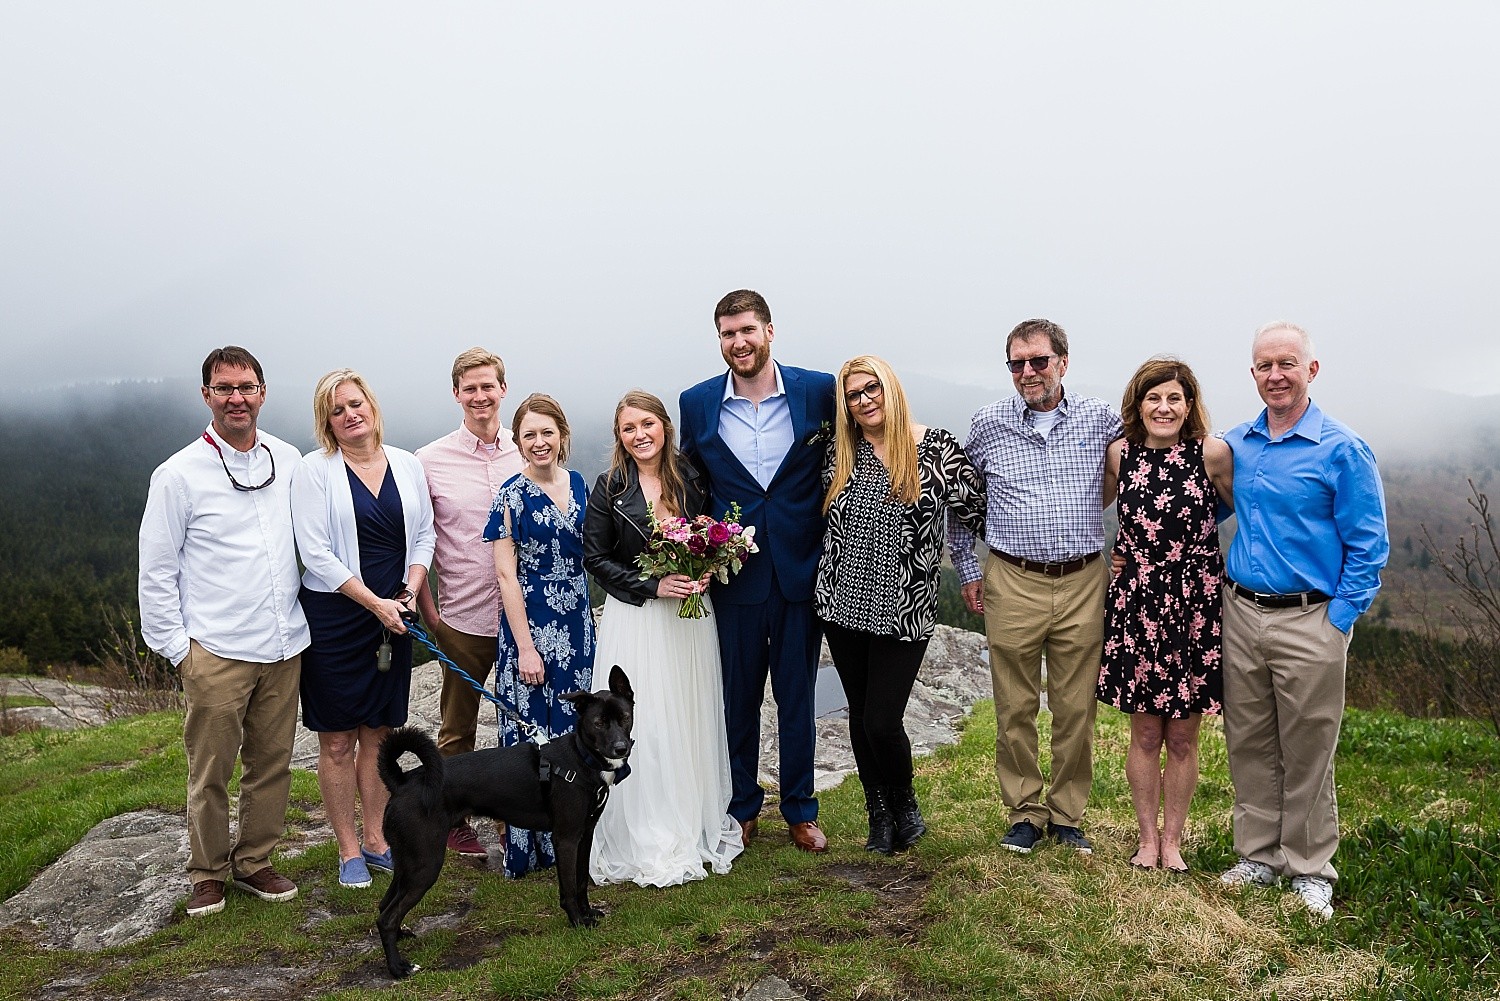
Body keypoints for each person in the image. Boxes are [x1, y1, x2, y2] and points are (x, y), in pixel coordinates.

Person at [1218, 322, 1388, 920]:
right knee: (1250, 740)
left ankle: (1310, 867)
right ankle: (1258, 856)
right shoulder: (1236, 445)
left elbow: (1369, 546)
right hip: (1239, 612)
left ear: (1311, 370)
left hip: (1310, 619)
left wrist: (1337, 620)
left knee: (1309, 745)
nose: (1275, 375)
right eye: (1264, 366)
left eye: (1287, 363)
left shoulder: (1342, 449)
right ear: (1253, 374)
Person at [139, 346, 310, 917]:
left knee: (273, 761)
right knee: (208, 769)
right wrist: (179, 652)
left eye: (247, 387)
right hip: (216, 647)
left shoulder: (288, 459)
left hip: (284, 641)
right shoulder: (178, 474)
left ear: (262, 392)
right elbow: (157, 571)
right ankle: (207, 871)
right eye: (224, 388)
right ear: (206, 395)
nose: (237, 398)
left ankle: (255, 861)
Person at [949, 318, 1122, 855]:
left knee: (1075, 707)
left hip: (1082, 580)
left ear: (1062, 363)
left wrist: (1133, 552)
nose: (1028, 372)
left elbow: (1142, 477)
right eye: (1017, 363)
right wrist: (968, 568)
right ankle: (1024, 811)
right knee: (1014, 705)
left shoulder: (1101, 420)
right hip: (1012, 577)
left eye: (1038, 361)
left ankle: (1068, 816)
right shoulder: (987, 424)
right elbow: (961, 499)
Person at [679, 289, 837, 853]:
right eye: (727, 333)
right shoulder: (696, 402)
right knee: (737, 700)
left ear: (770, 330)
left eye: (748, 330)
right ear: (719, 339)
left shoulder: (819, 390)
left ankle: (800, 809)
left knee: (797, 698)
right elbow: (692, 482)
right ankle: (741, 806)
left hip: (800, 568)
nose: (739, 342)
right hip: (734, 576)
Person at [816, 356, 986, 854]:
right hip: (841, 603)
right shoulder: (840, 453)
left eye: (872, 389)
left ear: (892, 390)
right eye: (853, 395)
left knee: (881, 720)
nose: (865, 400)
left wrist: (970, 569)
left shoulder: (936, 449)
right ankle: (879, 814)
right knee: (859, 713)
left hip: (905, 608)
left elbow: (975, 512)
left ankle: (905, 804)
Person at [583, 390, 743, 885]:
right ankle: (646, 829)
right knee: (646, 719)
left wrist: (708, 565)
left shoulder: (690, 475)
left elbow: (710, 531)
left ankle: (691, 818)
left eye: (647, 424)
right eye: (629, 428)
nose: (640, 435)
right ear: (619, 437)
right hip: (638, 618)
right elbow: (596, 557)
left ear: (664, 426)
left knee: (689, 713)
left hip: (690, 620)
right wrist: (653, 585)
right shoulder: (609, 487)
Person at [291, 369, 435, 889]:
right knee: (336, 741)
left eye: (355, 403)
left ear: (371, 405)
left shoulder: (408, 463)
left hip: (395, 612)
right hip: (337, 617)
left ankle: (376, 838)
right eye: (337, 410)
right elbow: (315, 554)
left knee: (379, 731)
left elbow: (423, 535)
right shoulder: (314, 471)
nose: (350, 414)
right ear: (326, 423)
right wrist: (376, 603)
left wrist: (409, 590)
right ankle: (347, 848)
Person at [1096, 358, 1233, 873]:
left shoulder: (1212, 454)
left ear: (1190, 405)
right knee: (1145, 733)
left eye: (1174, 398)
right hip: (1136, 603)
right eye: (1154, 397)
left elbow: (1250, 512)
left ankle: (1173, 840)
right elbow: (1094, 510)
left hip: (1195, 604)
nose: (1164, 407)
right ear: (1138, 404)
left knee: (1182, 736)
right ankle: (1147, 839)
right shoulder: (1120, 455)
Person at [415, 348, 524, 859]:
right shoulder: (429, 460)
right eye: (470, 388)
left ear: (503, 389)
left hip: (527, 617)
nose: (480, 396)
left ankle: (517, 821)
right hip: (463, 615)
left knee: (522, 722)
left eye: (488, 386)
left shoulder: (526, 449)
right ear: (456, 394)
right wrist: (430, 614)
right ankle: (453, 819)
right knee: (456, 729)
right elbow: (417, 538)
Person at [483, 393, 595, 878]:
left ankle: (574, 836)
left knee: (576, 730)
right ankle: (528, 848)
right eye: (529, 434)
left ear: (562, 436)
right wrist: (526, 647)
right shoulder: (509, 495)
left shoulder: (580, 485)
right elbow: (506, 578)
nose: (539, 441)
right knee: (530, 736)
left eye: (547, 432)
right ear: (518, 441)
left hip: (578, 622)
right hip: (530, 625)